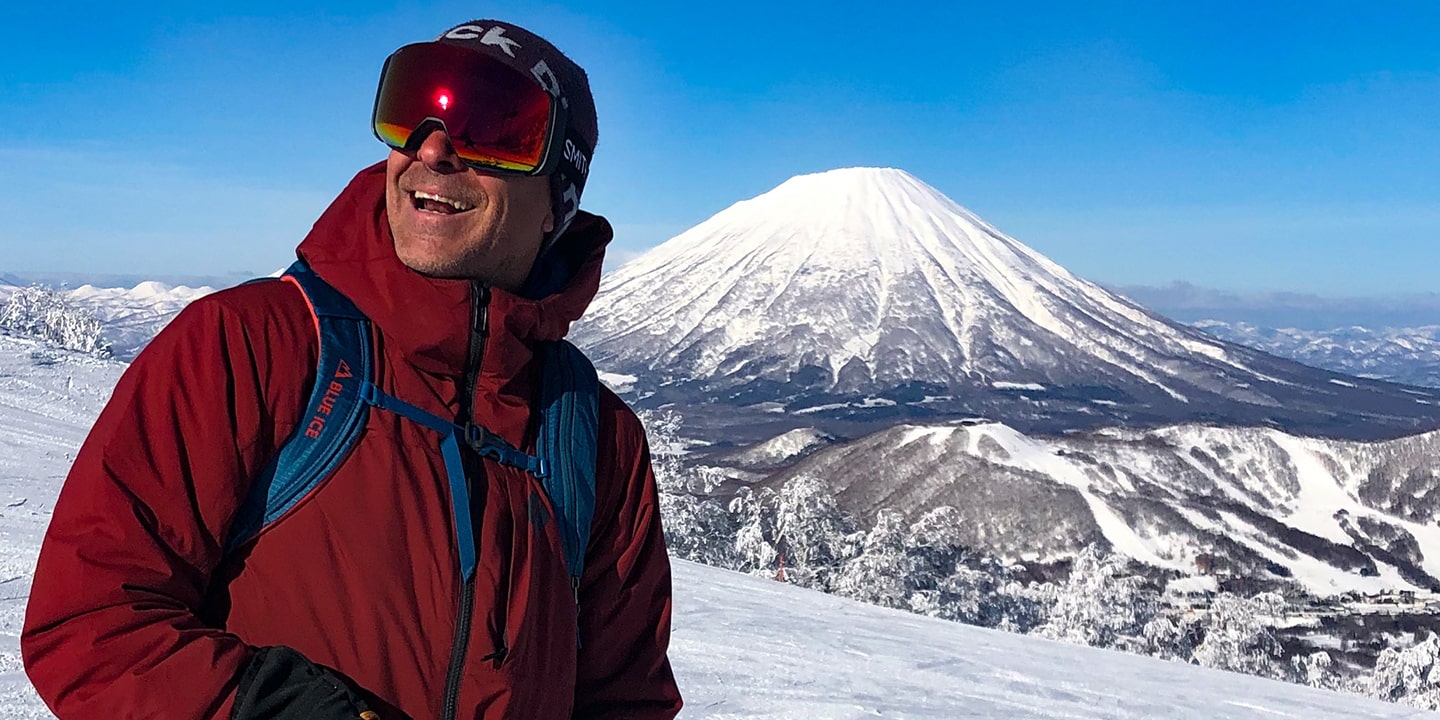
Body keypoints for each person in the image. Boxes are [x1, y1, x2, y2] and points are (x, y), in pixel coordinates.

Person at [21, 18, 683, 720]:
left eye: (493, 126)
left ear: (559, 197)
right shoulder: (250, 346)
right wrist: (272, 708)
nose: (432, 147)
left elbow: (625, 699)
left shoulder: (595, 435)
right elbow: (88, 622)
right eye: (411, 110)